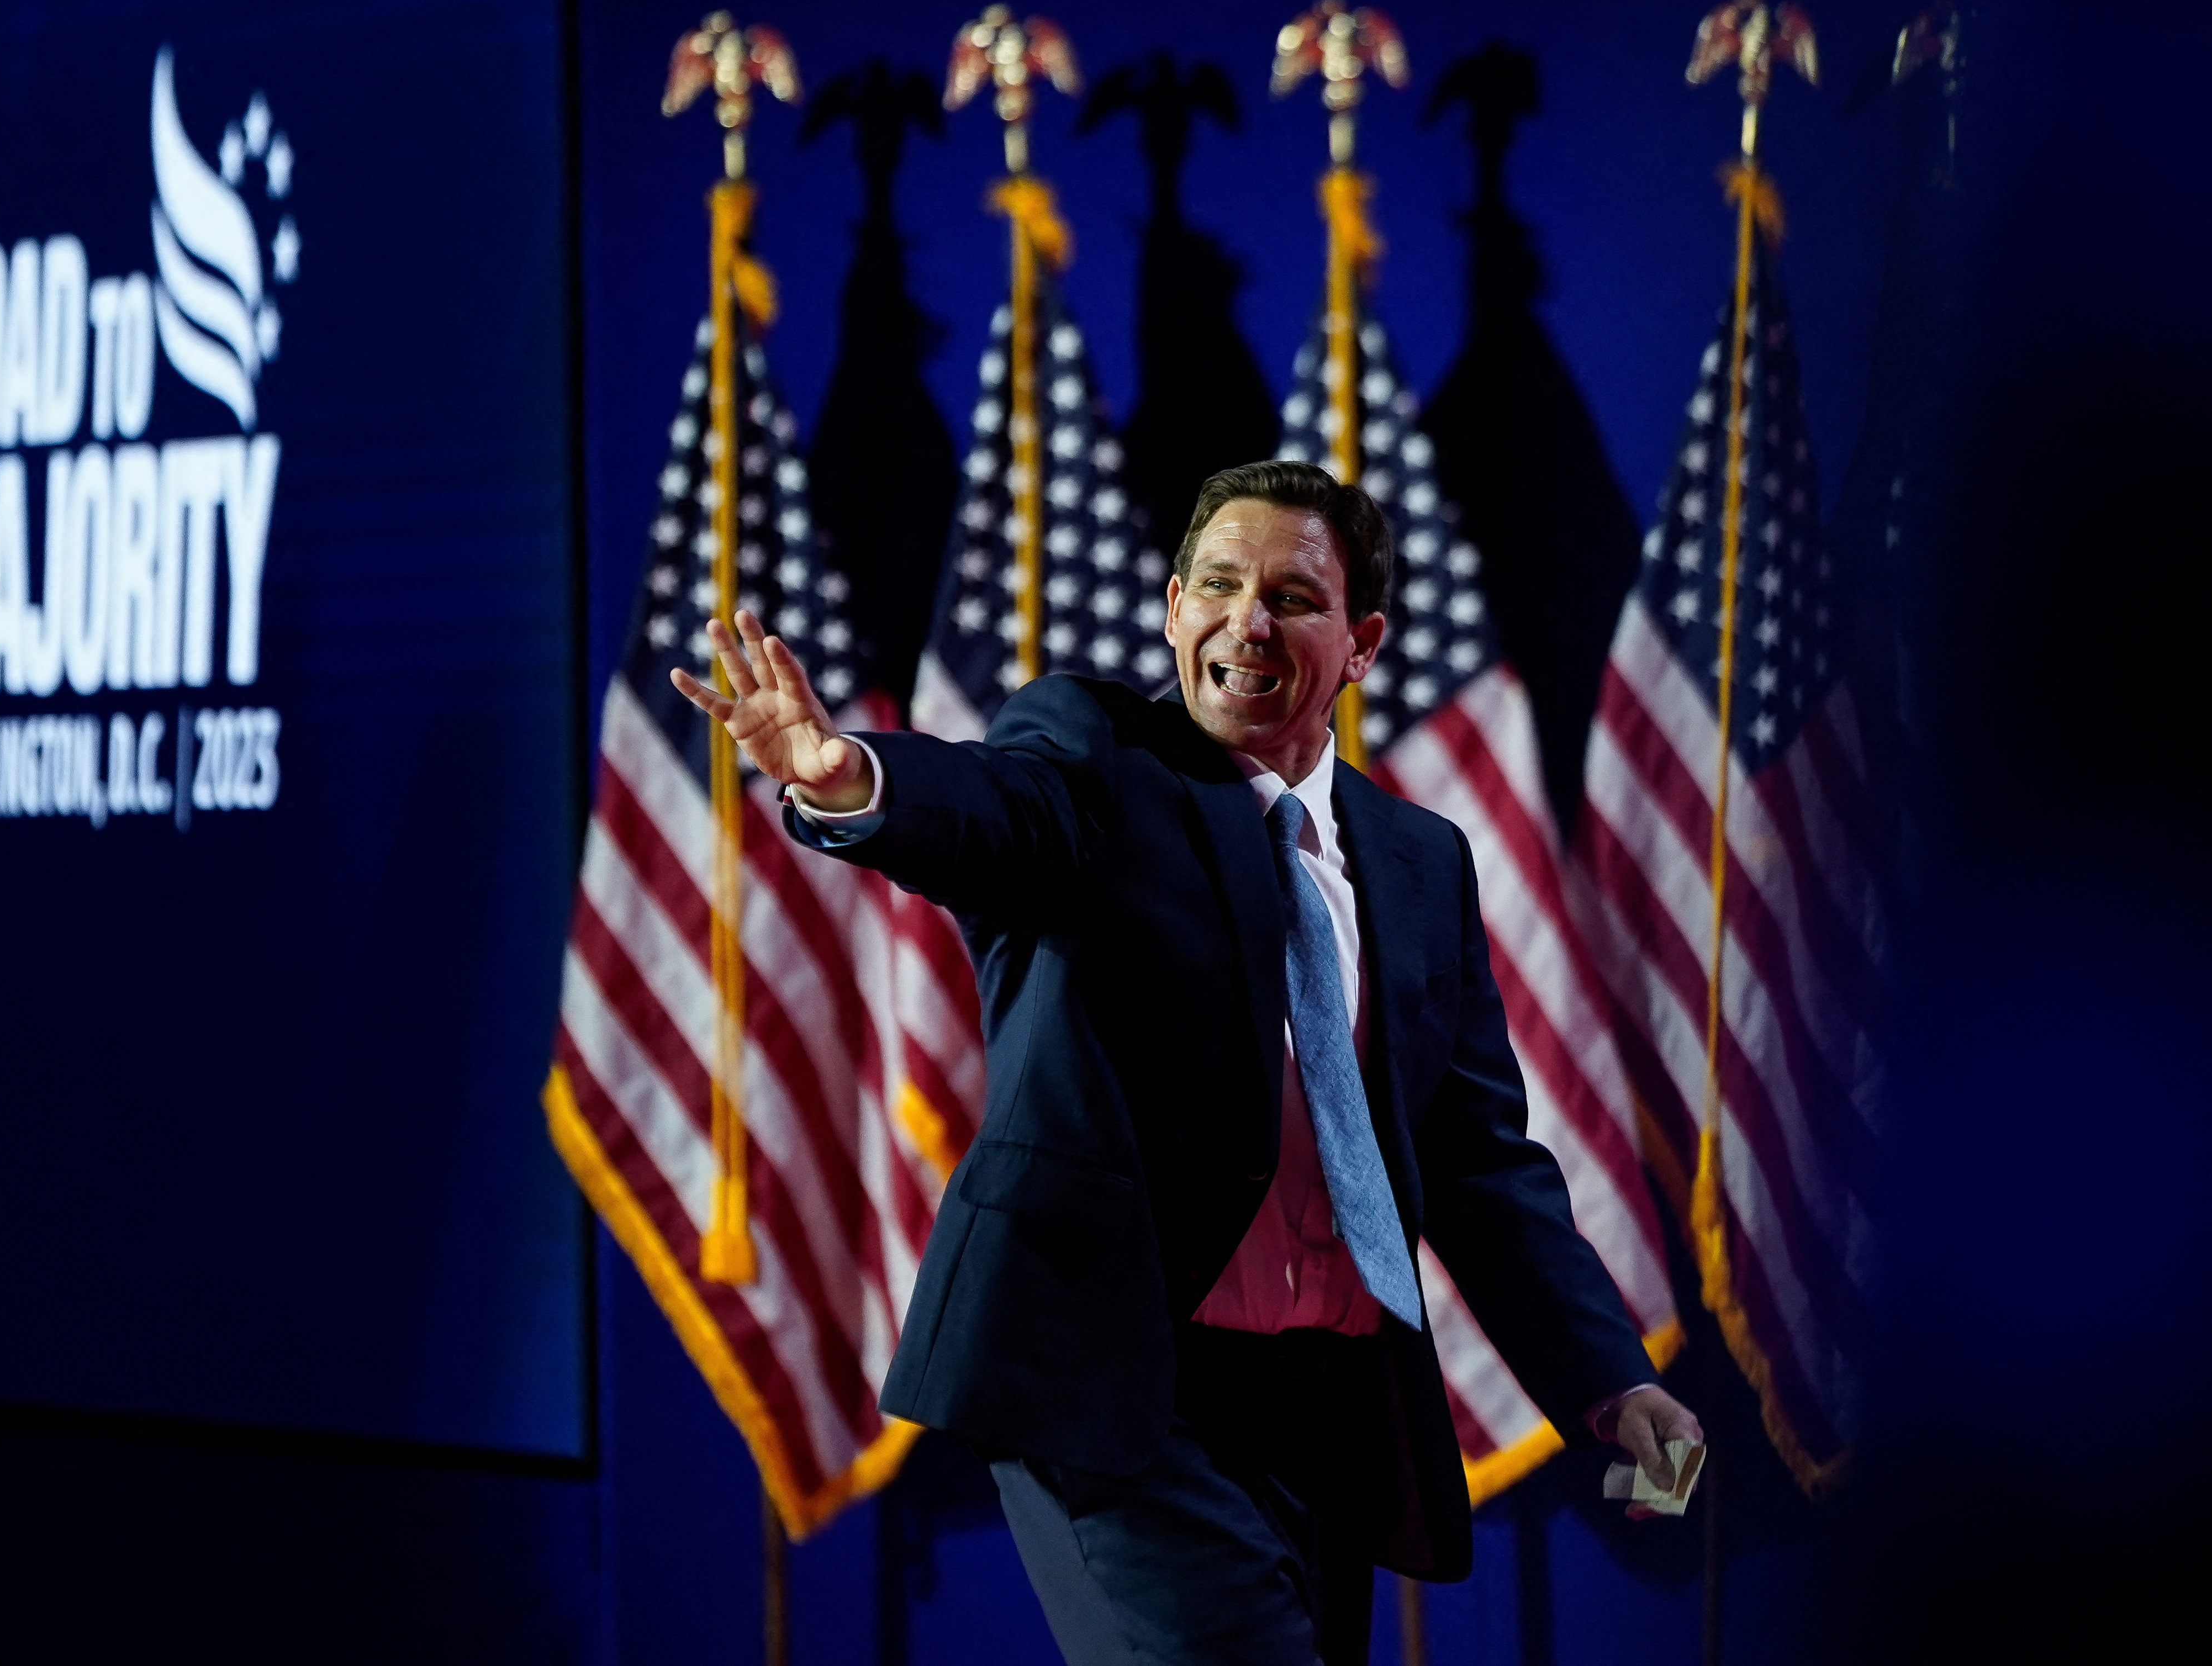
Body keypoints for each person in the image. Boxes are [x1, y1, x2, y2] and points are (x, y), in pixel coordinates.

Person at [675, 459, 1702, 1665]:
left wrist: (1608, 1380)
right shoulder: (1097, 761)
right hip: (1111, 1384)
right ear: (1172, 608)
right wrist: (849, 775)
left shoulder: (1421, 860)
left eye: (1293, 596)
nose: (1247, 620)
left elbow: (1478, 1162)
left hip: (1325, 1409)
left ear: (1363, 641)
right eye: (1217, 584)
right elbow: (993, 811)